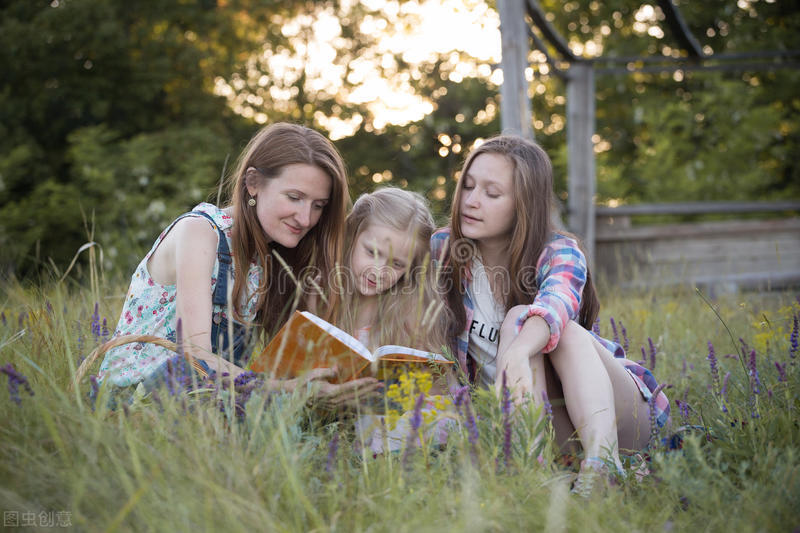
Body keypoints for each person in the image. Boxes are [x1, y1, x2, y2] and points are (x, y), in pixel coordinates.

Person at [431, 135, 670, 491]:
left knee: (544, 325)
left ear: (523, 204)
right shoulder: (443, 251)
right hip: (547, 428)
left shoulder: (560, 252)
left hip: (620, 419)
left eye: (491, 193)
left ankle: (604, 464)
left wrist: (516, 350)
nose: (471, 201)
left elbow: (556, 305)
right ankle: (535, 473)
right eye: (467, 186)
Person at [94, 123, 381, 404]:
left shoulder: (273, 257)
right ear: (253, 183)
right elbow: (193, 356)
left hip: (208, 399)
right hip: (135, 399)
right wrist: (289, 390)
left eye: (318, 206)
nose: (306, 218)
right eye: (294, 197)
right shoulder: (199, 232)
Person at [335, 187, 454, 454]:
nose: (379, 271)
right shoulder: (326, 297)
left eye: (397, 264)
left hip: (396, 419)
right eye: (372, 253)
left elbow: (434, 388)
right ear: (352, 236)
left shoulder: (410, 309)